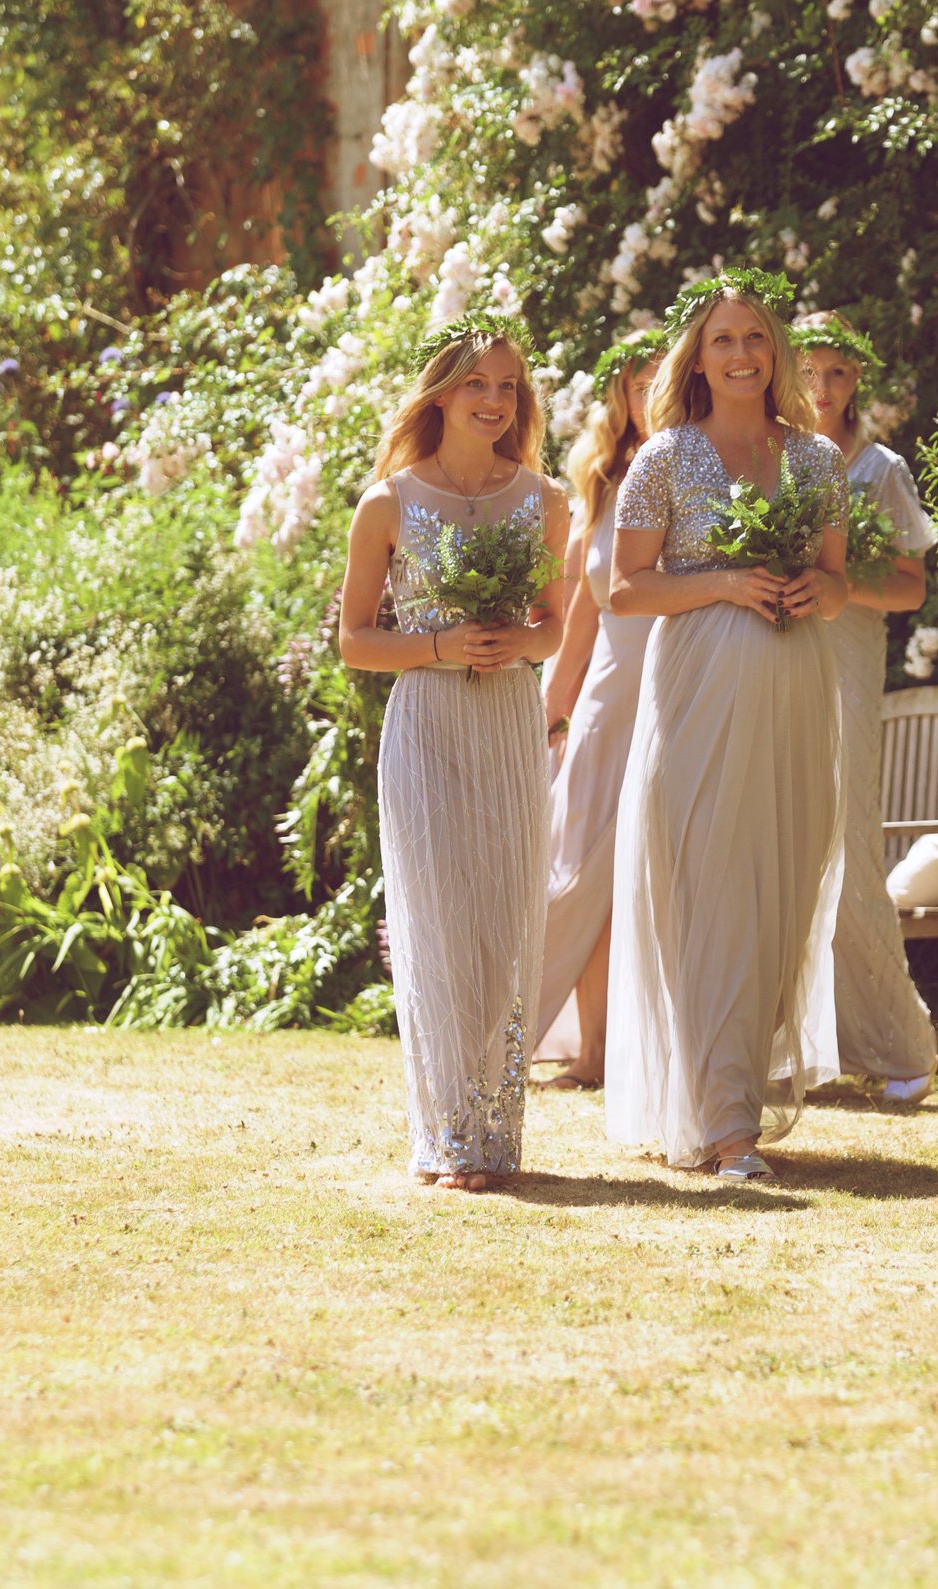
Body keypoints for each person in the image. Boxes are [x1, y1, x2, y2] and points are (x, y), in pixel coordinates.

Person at [605, 270, 850, 1180]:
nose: (741, 354)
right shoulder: (664, 458)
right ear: (697, 359)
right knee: (707, 881)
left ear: (777, 351)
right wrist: (724, 581)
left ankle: (736, 1094)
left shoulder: (817, 460)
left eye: (755, 338)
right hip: (698, 692)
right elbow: (624, 590)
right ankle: (727, 1123)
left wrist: (807, 587)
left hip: (794, 690)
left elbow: (839, 586)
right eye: (723, 340)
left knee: (779, 885)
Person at [337, 314, 572, 1188]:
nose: (495, 401)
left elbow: (554, 631)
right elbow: (356, 641)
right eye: (477, 383)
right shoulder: (389, 502)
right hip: (427, 723)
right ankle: (444, 1136)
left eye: (508, 386)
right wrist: (438, 647)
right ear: (441, 392)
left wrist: (516, 641)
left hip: (509, 721)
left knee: (501, 925)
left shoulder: (543, 501)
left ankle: (489, 1136)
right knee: (439, 924)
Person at [793, 311, 938, 1101]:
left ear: (857, 380)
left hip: (847, 663)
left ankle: (898, 1044)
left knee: (846, 845)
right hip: (776, 658)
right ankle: (794, 1045)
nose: (821, 388)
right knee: (781, 844)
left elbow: (912, 586)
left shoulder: (881, 469)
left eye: (837, 374)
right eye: (809, 372)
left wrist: (843, 586)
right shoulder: (772, 457)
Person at [534, 327, 668, 1089]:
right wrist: (552, 718)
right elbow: (578, 624)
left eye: (661, 381)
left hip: (675, 693)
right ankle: (589, 1052)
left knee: (652, 879)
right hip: (604, 704)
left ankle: (645, 1051)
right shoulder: (600, 488)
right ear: (618, 397)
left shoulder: (697, 474)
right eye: (637, 384)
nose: (649, 396)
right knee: (582, 877)